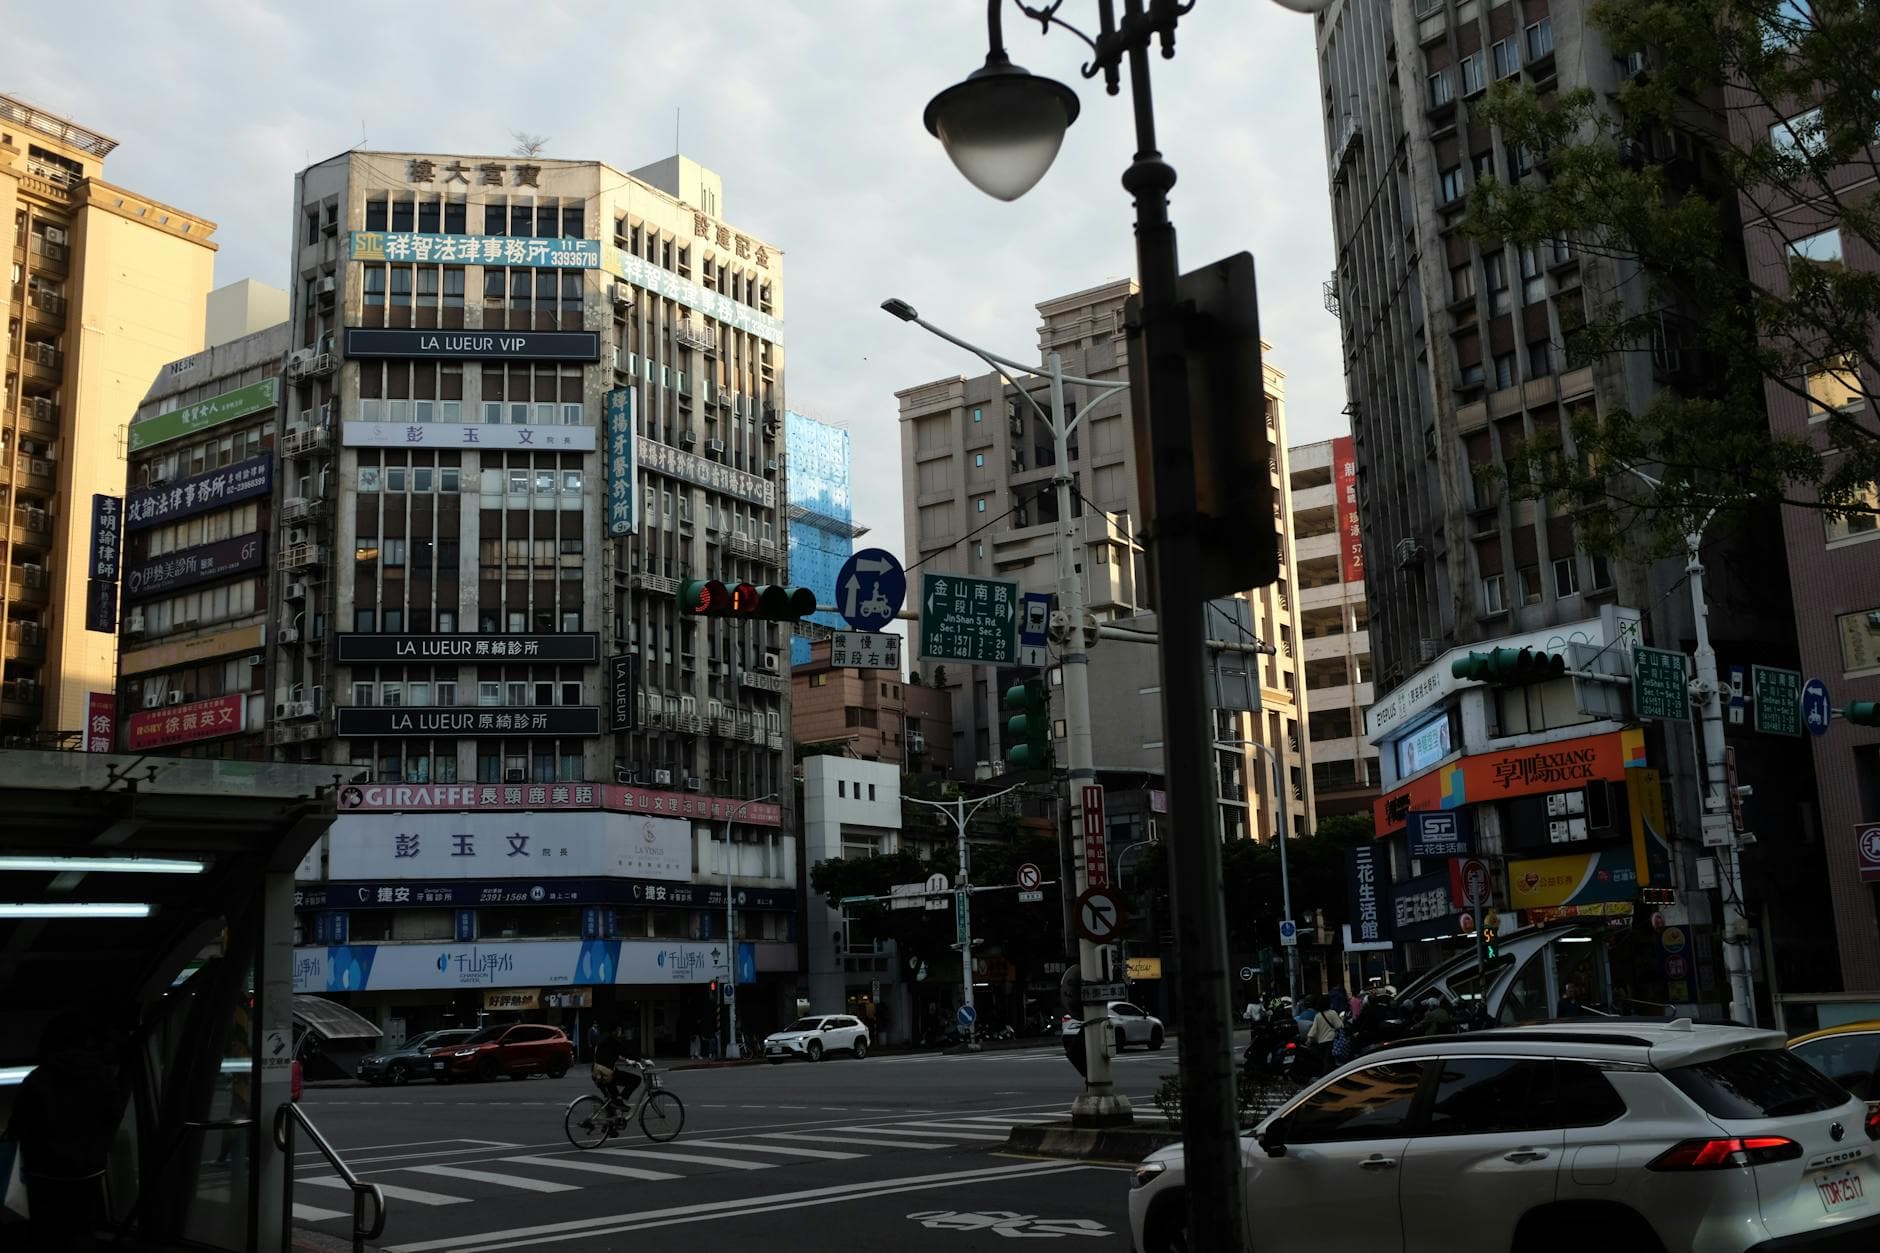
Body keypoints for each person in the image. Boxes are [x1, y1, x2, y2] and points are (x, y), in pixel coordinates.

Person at [4, 1014, 127, 1252]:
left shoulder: (38, 1078)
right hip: (88, 1171)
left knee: (48, 1234)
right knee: (81, 1229)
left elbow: (18, 1124)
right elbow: (112, 1115)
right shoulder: (102, 1077)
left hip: (45, 1174)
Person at [592, 1024, 640, 1110]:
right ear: (614, 1031)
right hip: (606, 1073)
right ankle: (620, 1099)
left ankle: (611, 1116)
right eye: (619, 1031)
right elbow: (625, 1052)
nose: (620, 1033)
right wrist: (641, 1059)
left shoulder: (604, 1037)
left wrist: (626, 1060)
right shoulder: (612, 1040)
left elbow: (613, 1054)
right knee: (636, 1080)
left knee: (612, 1101)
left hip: (597, 1073)